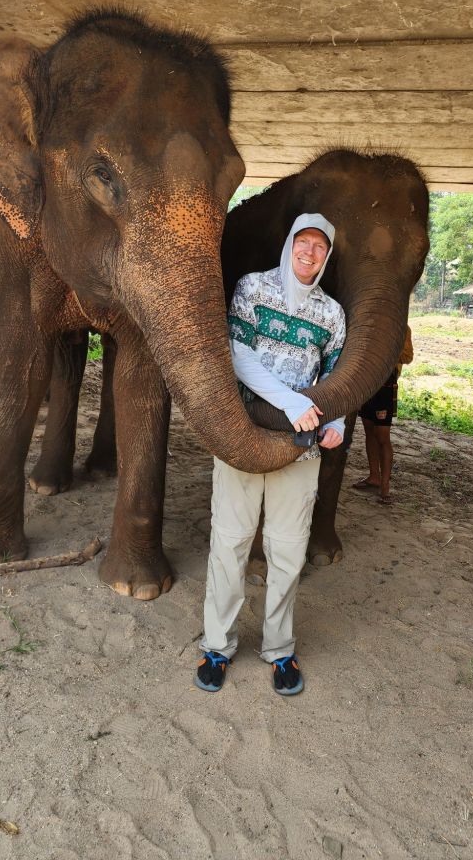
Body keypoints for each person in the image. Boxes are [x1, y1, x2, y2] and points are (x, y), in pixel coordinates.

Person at [196, 214, 346, 697]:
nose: (310, 252)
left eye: (320, 247)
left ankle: (280, 649)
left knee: (288, 549)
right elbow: (238, 355)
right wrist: (292, 403)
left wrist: (337, 422)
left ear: (327, 256)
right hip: (243, 436)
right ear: (289, 245)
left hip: (300, 451)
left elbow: (338, 376)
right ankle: (217, 646)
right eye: (303, 242)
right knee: (230, 542)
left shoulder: (332, 313)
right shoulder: (253, 288)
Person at [351, 326, 413, 505]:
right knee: (369, 432)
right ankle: (374, 477)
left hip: (385, 384)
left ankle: (385, 487)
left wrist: (384, 350)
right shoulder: (369, 324)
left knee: (382, 436)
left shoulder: (401, 327)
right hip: (366, 382)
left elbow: (408, 357)